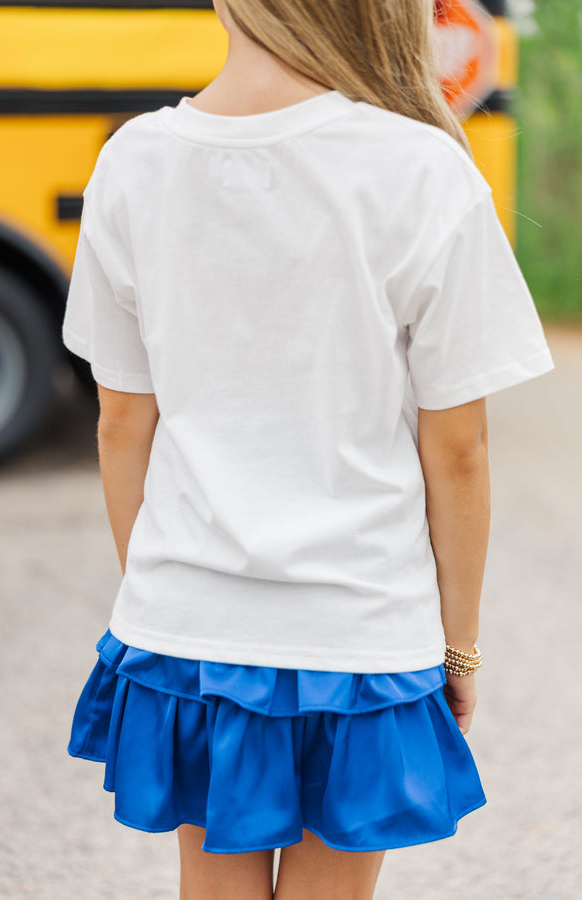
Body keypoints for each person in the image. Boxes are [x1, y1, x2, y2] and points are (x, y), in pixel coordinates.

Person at [62, 1, 554, 897]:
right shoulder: (420, 167)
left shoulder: (133, 159)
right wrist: (460, 651)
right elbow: (460, 449)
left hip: (187, 629)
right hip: (360, 634)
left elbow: (123, 421)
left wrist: (169, 593)